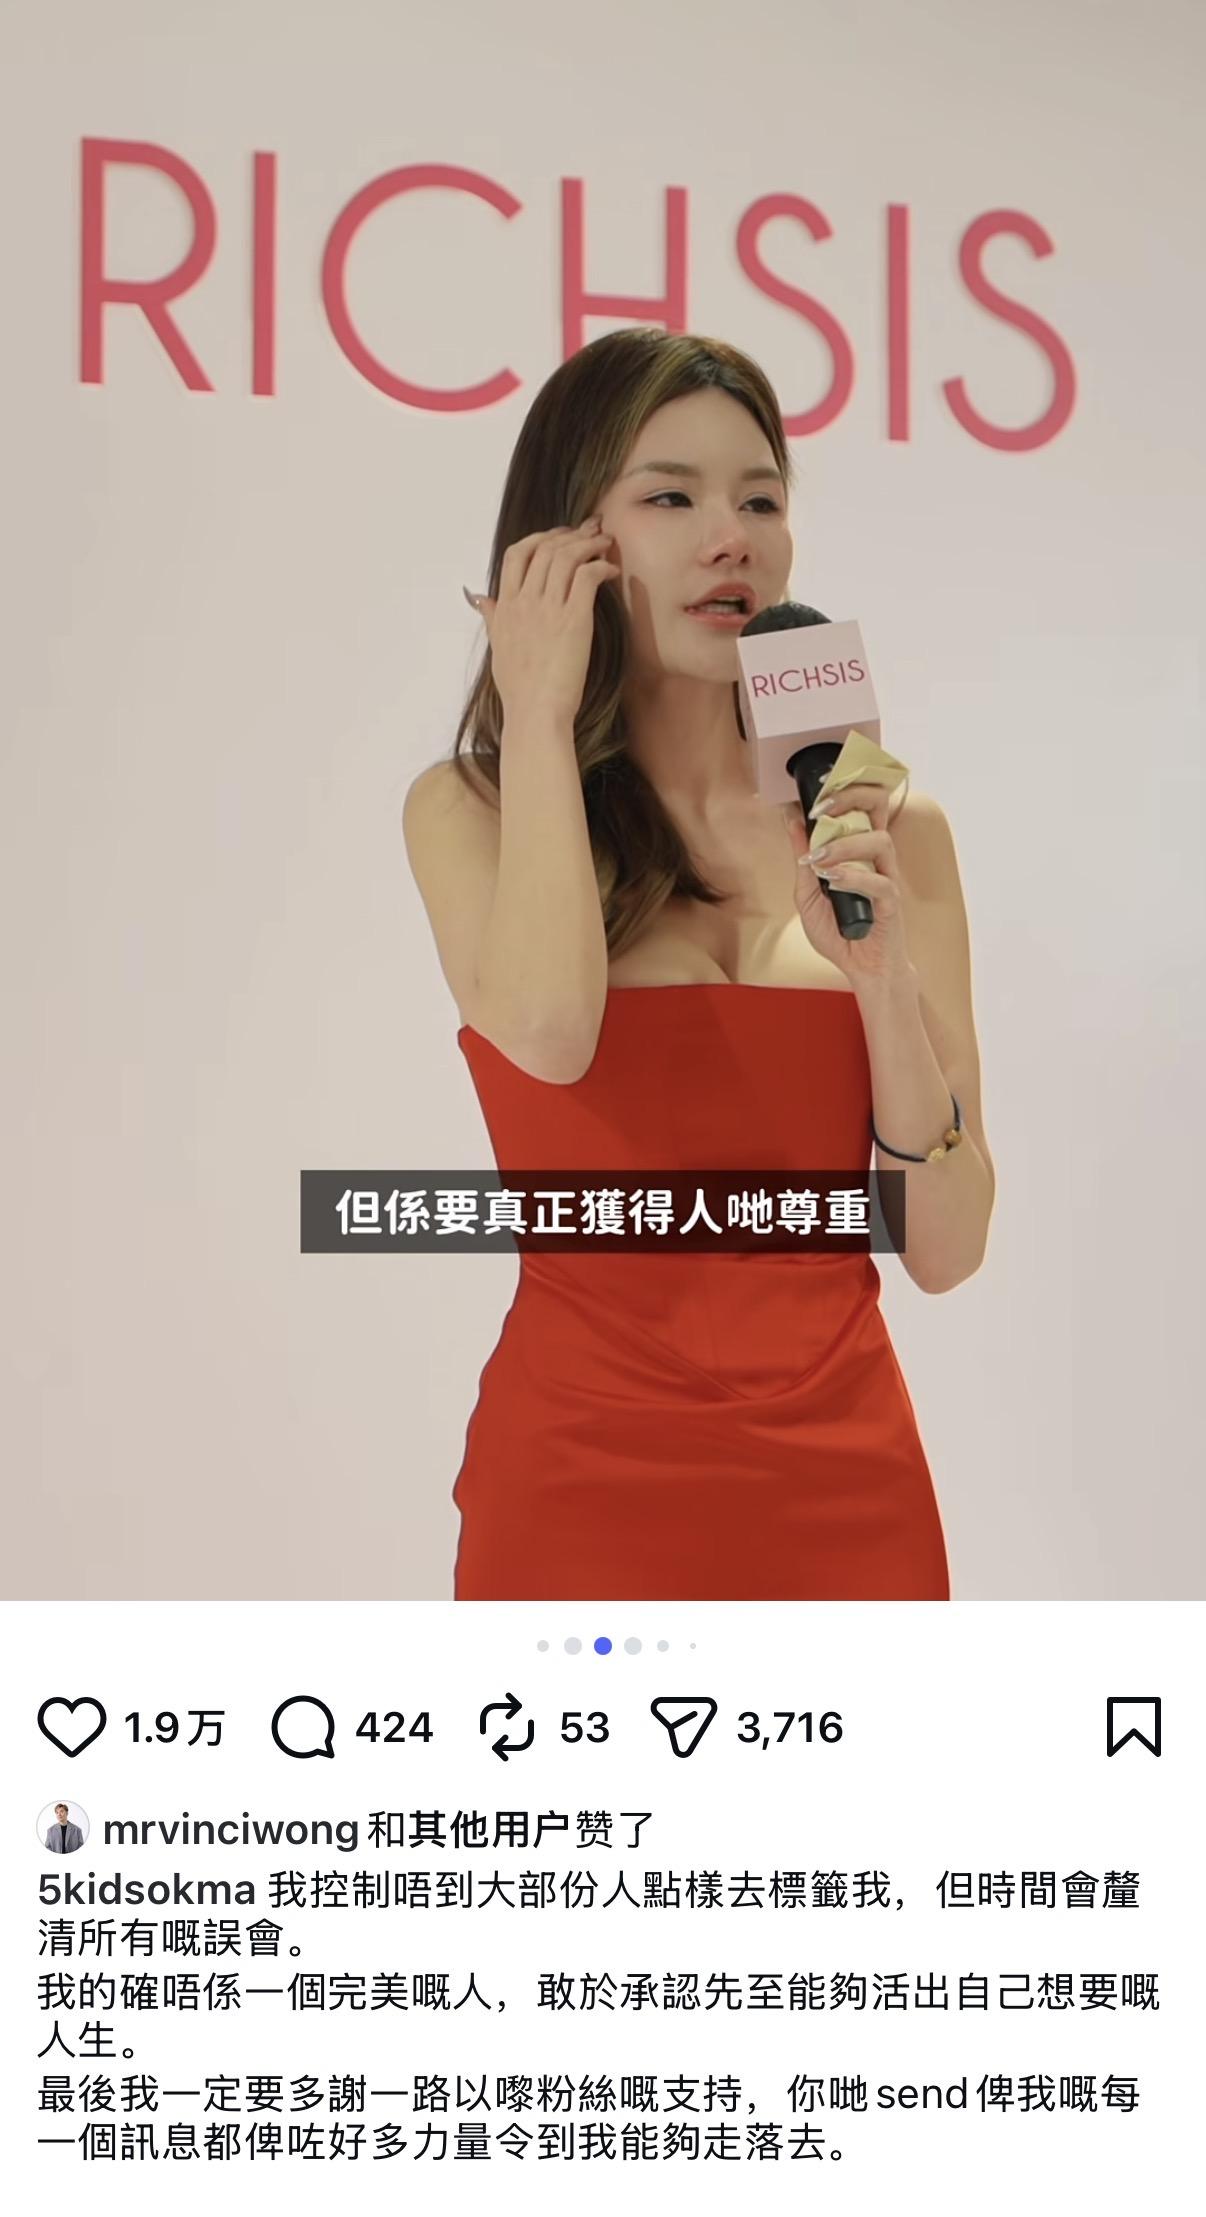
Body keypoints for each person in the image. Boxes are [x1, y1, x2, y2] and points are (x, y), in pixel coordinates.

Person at [404, 327, 995, 1601]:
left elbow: (946, 1248)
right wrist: (540, 712)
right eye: (671, 499)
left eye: (762, 502)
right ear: (565, 544)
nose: (732, 539)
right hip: (582, 1482)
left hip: (850, 1486)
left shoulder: (894, 828)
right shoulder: (474, 810)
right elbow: (551, 1033)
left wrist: (880, 976)